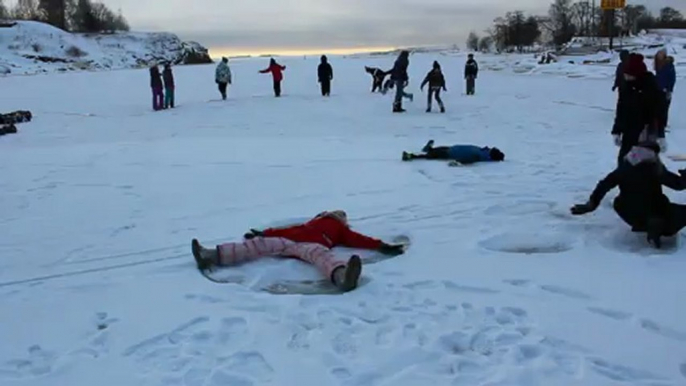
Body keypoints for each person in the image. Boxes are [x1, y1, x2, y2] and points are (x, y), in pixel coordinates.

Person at [191, 210, 406, 292]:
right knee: (254, 247)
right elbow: (286, 229)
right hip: (287, 241)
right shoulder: (311, 224)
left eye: (340, 216)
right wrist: (263, 233)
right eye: (336, 214)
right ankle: (210, 255)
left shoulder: (341, 231)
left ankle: (343, 277)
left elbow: (359, 239)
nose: (338, 217)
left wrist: (381, 245)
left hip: (308, 246)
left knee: (323, 257)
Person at [571, 141, 686, 249]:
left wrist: (590, 205)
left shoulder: (624, 168)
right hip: (655, 212)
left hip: (629, 212)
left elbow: (603, 185)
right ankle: (655, 226)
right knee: (666, 210)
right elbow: (678, 185)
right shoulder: (654, 169)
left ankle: (651, 225)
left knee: (623, 202)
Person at [612, 53, 663, 165]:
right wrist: (616, 130)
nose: (625, 76)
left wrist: (660, 133)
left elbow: (658, 112)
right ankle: (624, 180)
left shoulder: (651, 87)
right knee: (624, 161)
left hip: (645, 133)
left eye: (627, 74)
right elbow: (621, 109)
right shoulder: (626, 87)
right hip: (628, 132)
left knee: (644, 163)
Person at [402, 140, 505, 164]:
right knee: (437, 150)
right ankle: (429, 149)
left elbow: (468, 160)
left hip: (450, 153)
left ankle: (411, 156)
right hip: (452, 149)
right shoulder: (482, 151)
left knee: (430, 156)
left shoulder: (479, 155)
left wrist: (458, 162)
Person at [655, 50, 676, 131]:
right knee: (658, 107)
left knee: (664, 107)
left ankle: (663, 124)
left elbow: (672, 78)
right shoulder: (659, 64)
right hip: (658, 89)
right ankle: (658, 124)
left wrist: (669, 89)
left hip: (665, 89)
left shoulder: (668, 65)